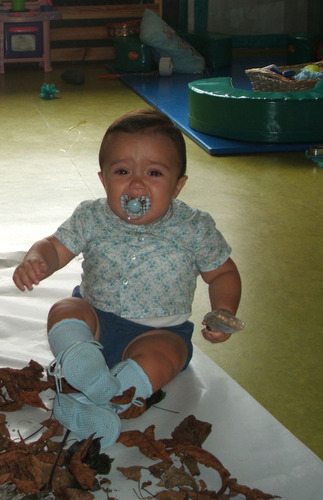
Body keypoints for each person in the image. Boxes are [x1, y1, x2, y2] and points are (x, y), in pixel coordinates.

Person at [12, 109, 241, 449]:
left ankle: (100, 399)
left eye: (153, 173)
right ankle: (82, 361)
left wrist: (223, 309)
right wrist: (37, 259)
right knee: (64, 308)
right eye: (122, 171)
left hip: (159, 331)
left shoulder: (194, 228)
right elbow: (56, 247)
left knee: (167, 355)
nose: (136, 184)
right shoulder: (91, 216)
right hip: (96, 321)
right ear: (104, 179)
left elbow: (223, 272)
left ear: (178, 185)